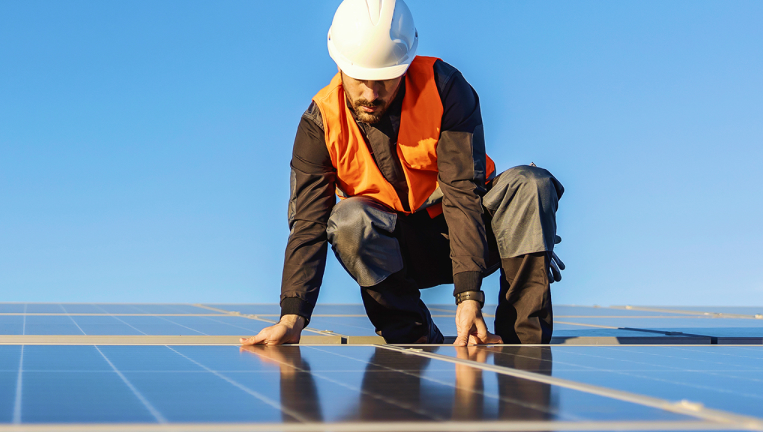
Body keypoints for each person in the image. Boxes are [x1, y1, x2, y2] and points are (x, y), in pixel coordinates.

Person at [240, 0, 564, 347]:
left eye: (384, 79)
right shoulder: (320, 124)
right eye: (361, 80)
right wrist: (292, 317)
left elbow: (462, 192)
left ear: (405, 66)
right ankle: (415, 338)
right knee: (349, 221)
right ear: (340, 64)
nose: (371, 94)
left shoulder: (445, 89)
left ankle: (525, 346)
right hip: (398, 252)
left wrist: (469, 294)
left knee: (531, 186)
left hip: (475, 235)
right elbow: (308, 225)